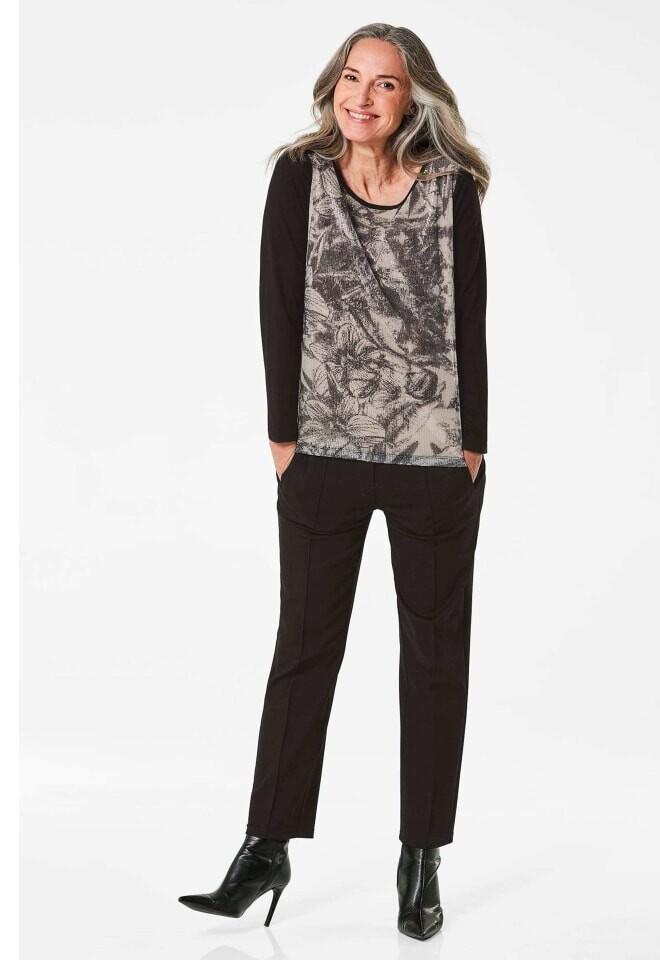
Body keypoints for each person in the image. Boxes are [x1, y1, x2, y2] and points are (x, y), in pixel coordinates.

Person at [179, 22, 490, 941]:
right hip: (321, 454)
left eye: (383, 84)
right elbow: (277, 302)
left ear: (413, 96)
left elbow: (470, 312)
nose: (362, 97)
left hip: (434, 455)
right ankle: (264, 847)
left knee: (434, 660)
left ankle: (421, 856)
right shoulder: (299, 176)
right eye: (352, 78)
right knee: (304, 651)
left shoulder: (450, 186)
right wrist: (284, 437)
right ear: (332, 86)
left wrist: (473, 444)